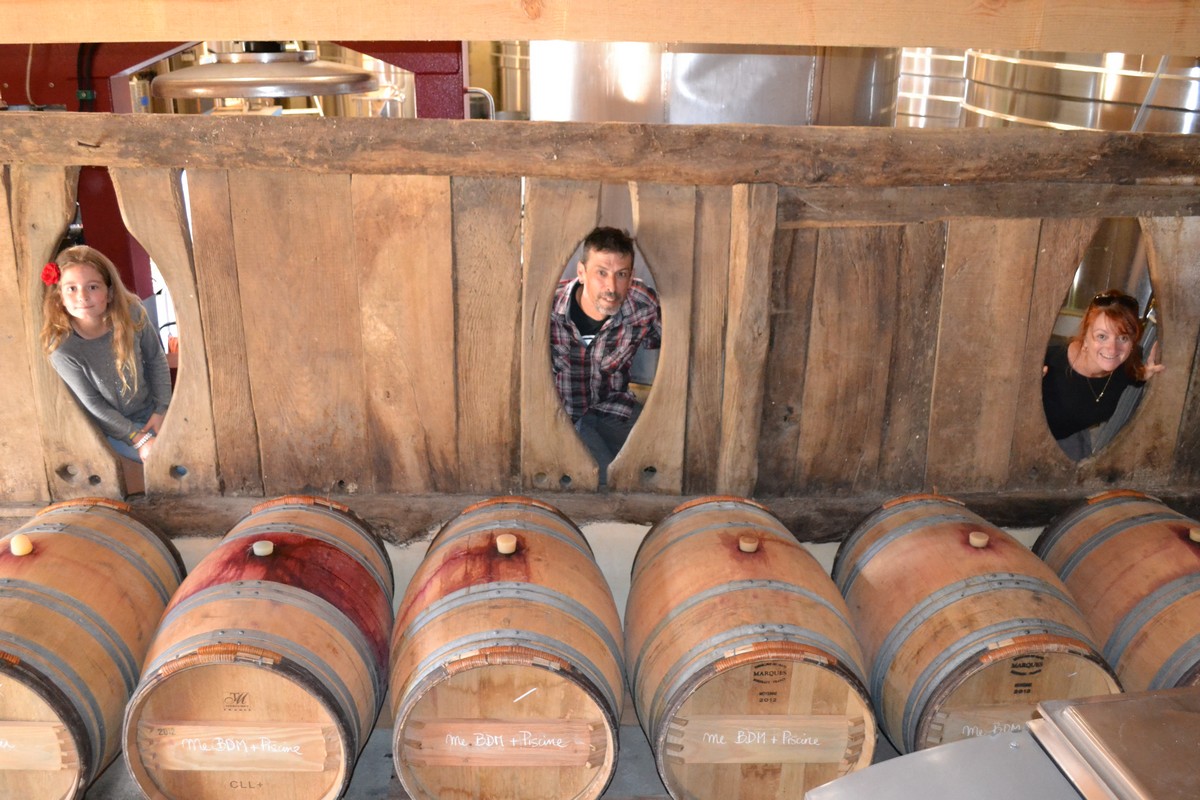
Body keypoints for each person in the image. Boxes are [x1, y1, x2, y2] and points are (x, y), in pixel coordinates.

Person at [40, 245, 172, 463]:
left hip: (152, 409)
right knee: (168, 463)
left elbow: (155, 359)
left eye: (92, 287)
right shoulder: (63, 348)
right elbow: (94, 404)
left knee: (196, 451)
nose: (82, 297)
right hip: (112, 428)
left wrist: (161, 409)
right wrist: (137, 438)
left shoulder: (133, 314)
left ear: (110, 293)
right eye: (71, 288)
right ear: (59, 296)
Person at [550, 226, 662, 484]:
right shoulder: (549, 308)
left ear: (631, 276)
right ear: (581, 273)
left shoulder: (642, 305)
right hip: (564, 418)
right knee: (601, 481)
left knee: (657, 468)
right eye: (601, 273)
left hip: (615, 407)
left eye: (621, 274)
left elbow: (677, 344)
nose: (612, 287)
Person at [1042, 290, 1163, 461]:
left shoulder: (1125, 365)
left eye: (1123, 338)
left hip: (1072, 437)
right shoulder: (1048, 362)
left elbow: (1133, 376)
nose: (1112, 349)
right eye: (1102, 336)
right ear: (1085, 336)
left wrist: (1144, 375)